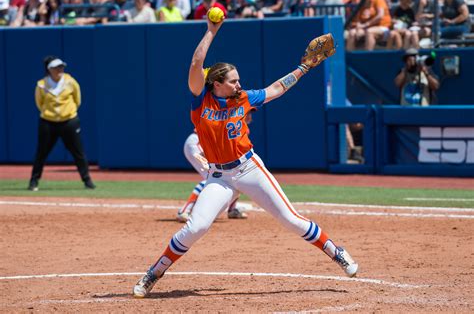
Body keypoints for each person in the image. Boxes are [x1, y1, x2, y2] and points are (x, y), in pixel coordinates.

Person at [132, 15, 358, 298]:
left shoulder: (244, 98)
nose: (239, 84)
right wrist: (211, 32)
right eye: (233, 80)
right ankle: (154, 273)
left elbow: (276, 89)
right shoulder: (200, 99)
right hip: (218, 176)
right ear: (216, 83)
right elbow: (195, 64)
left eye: (239, 80)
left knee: (290, 220)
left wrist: (304, 67)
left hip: (248, 168)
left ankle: (336, 251)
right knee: (197, 226)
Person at [28, 56, 96, 191]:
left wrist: (68, 113)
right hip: (48, 122)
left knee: (78, 152)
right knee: (41, 153)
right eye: (56, 67)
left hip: (69, 121)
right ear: (49, 69)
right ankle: (34, 181)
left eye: (61, 67)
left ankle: (87, 180)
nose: (60, 69)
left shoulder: (70, 82)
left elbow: (77, 100)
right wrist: (50, 114)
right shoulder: (41, 85)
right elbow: (39, 103)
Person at [176, 112, 254, 222]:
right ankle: (184, 211)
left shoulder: (242, 128)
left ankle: (232, 209)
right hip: (198, 143)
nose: (249, 115)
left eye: (250, 113)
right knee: (211, 177)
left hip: (205, 144)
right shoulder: (230, 121)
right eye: (248, 112)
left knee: (236, 174)